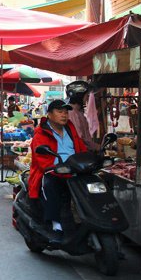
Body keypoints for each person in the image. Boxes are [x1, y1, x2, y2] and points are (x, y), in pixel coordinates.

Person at [29, 99, 87, 238]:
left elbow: (81, 148)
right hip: (52, 171)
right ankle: (55, 222)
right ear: (49, 114)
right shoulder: (41, 134)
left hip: (74, 170)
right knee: (50, 186)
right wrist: (57, 167)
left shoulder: (70, 129)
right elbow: (41, 159)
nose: (64, 115)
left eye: (66, 112)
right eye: (60, 112)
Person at [65, 82, 99, 151]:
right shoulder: (72, 113)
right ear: (79, 95)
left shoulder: (79, 112)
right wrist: (96, 146)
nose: (88, 97)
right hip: (77, 155)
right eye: (86, 95)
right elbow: (79, 137)